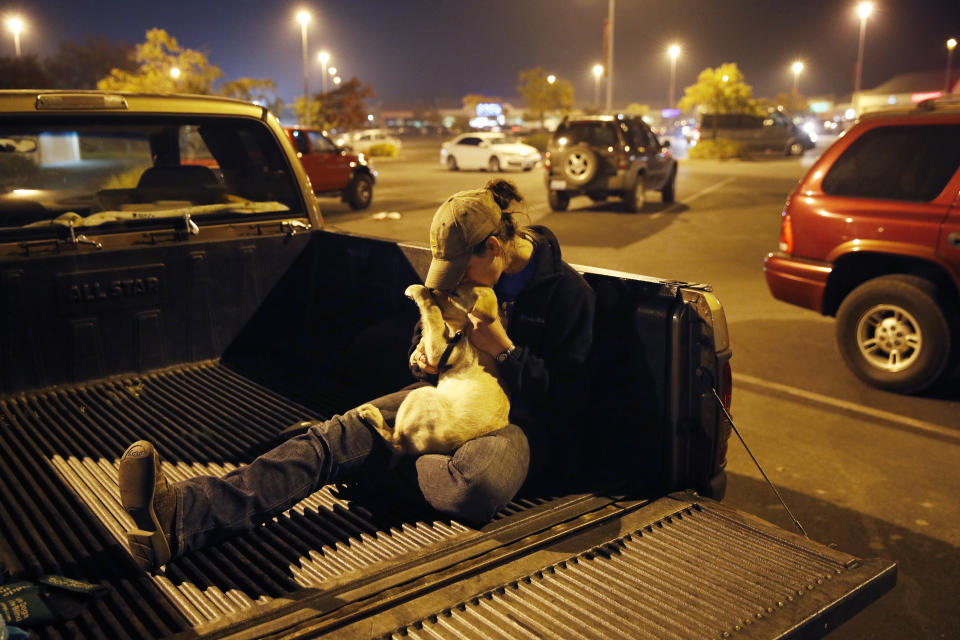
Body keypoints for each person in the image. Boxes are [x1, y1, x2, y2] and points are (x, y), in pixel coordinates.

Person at [119, 179, 595, 572]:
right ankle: (183, 514)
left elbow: (567, 402)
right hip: (446, 396)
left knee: (475, 486)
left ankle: (367, 465)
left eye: (459, 268)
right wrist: (420, 359)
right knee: (336, 435)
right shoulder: (467, 278)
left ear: (493, 247)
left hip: (515, 425)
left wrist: (505, 352)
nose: (451, 282)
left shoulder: (568, 293)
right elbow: (421, 339)